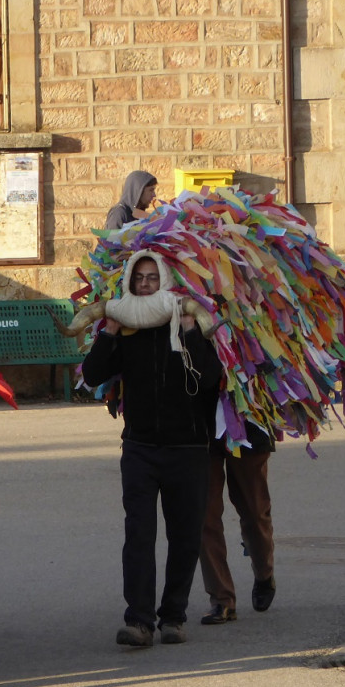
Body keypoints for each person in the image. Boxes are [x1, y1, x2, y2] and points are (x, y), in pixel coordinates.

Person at [81, 252, 221, 647]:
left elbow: (210, 378)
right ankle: (139, 621)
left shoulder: (185, 322)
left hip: (188, 448)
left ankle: (173, 617)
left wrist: (192, 331)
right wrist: (107, 332)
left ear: (165, 281)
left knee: (184, 536)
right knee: (139, 535)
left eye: (151, 278)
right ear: (129, 282)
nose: (144, 285)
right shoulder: (127, 330)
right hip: (140, 447)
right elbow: (93, 375)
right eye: (138, 278)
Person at [198, 424, 277, 624]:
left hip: (244, 417)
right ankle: (221, 598)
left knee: (254, 510)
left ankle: (264, 573)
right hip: (199, 418)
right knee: (204, 516)